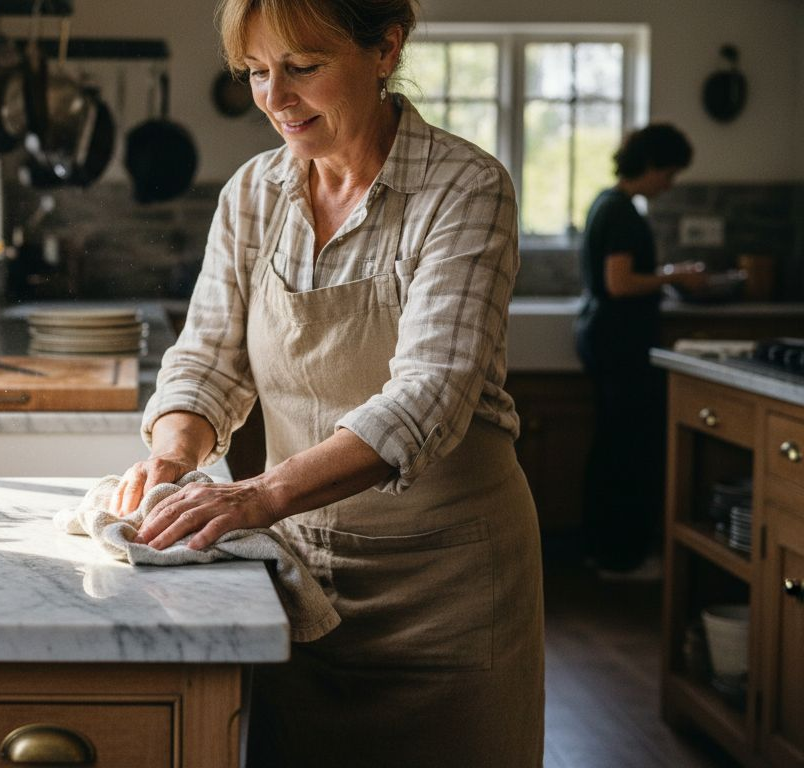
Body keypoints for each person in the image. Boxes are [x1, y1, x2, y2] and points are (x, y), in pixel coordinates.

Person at [108, 1, 543, 764]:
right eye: (256, 73)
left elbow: (428, 399)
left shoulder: (465, 188)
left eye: (303, 68)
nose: (275, 98)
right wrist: (175, 458)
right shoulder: (251, 194)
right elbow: (207, 359)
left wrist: (257, 495)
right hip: (296, 574)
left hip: (450, 589)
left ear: (384, 49)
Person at [575, 124, 706, 575]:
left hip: (602, 339)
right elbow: (620, 282)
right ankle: (619, 555)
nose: (669, 185)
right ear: (650, 165)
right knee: (625, 449)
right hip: (619, 343)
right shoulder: (624, 214)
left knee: (614, 444)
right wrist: (675, 276)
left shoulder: (606, 202)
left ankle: (605, 551)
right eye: (669, 174)